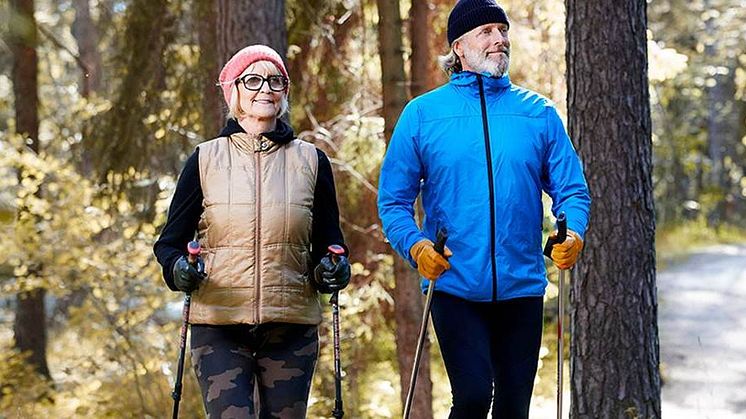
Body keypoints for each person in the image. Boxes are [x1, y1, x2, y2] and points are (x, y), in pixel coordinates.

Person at [377, 1, 591, 417]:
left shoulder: (538, 113)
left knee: (514, 408)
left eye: (502, 30)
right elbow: (393, 201)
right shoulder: (422, 115)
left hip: (521, 285)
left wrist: (574, 233)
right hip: (454, 284)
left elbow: (572, 190)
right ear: (458, 47)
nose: (499, 39)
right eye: (486, 31)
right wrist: (417, 247)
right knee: (473, 396)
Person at [154, 44, 351, 418]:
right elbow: (169, 244)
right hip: (219, 324)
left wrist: (334, 269)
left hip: (290, 325)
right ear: (235, 92)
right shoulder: (205, 159)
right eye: (254, 79)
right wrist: (178, 269)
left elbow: (330, 243)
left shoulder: (311, 161)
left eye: (275, 80)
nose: (266, 88)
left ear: (284, 93)